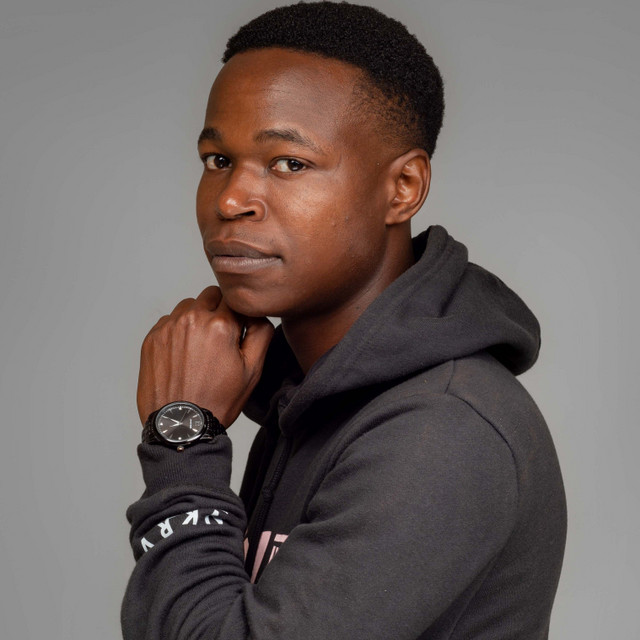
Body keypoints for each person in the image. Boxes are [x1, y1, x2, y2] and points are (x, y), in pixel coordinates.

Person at [121, 2, 566, 639]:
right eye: (217, 160)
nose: (231, 199)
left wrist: (181, 439)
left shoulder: (440, 429)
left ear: (403, 187)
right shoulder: (310, 396)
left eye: (289, 163)